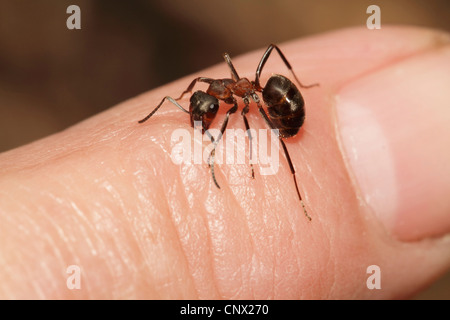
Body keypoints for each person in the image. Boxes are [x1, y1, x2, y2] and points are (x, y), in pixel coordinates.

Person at [0, 26, 449, 299]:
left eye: (204, 111)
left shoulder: (244, 101)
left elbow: (245, 116)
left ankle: (299, 189)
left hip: (276, 96)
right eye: (203, 112)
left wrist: (258, 152)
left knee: (258, 123)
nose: (205, 116)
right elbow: (203, 87)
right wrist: (186, 105)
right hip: (255, 91)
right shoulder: (218, 89)